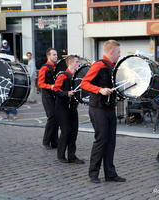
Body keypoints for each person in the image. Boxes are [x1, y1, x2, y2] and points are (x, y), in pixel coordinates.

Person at [81, 40, 126, 183]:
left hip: (110, 108)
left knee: (110, 142)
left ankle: (110, 174)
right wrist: (99, 90)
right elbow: (84, 83)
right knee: (101, 141)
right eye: (118, 52)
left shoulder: (113, 67)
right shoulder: (98, 65)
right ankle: (93, 173)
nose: (120, 55)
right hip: (98, 109)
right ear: (112, 52)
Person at [53, 55, 85, 164]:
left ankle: (72, 156)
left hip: (72, 108)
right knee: (66, 132)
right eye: (76, 62)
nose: (79, 64)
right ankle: (61, 155)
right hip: (62, 108)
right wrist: (67, 93)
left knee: (74, 132)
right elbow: (56, 90)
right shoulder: (62, 75)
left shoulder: (76, 76)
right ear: (70, 63)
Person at [38, 48, 59, 149]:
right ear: (48, 56)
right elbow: (40, 84)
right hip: (47, 96)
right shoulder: (44, 68)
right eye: (54, 55)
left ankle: (55, 142)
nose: (56, 56)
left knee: (56, 118)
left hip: (54, 96)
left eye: (56, 54)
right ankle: (46, 141)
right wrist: (50, 86)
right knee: (52, 118)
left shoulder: (56, 68)